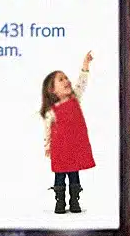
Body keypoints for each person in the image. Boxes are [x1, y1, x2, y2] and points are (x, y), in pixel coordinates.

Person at [41, 51, 96, 214]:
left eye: (66, 78)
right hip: (60, 149)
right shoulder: (51, 111)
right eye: (61, 79)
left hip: (74, 147)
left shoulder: (75, 98)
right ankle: (60, 202)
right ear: (52, 90)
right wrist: (47, 146)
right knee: (59, 175)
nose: (66, 81)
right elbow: (47, 131)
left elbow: (82, 82)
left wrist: (85, 65)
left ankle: (74, 201)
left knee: (74, 174)